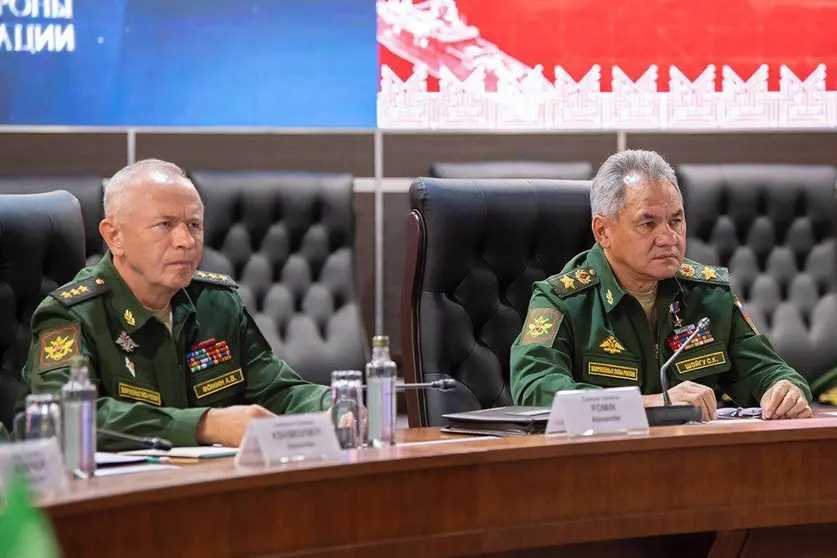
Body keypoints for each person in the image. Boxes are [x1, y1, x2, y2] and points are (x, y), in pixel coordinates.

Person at [19, 159, 331, 450]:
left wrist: (334, 404)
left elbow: (277, 390)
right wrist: (204, 426)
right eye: (165, 225)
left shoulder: (217, 303)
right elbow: (66, 418)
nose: (185, 240)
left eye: (194, 225)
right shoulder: (70, 314)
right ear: (114, 236)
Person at [510, 150, 812, 421]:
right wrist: (648, 404)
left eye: (676, 220)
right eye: (648, 224)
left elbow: (767, 371)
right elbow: (535, 388)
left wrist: (784, 389)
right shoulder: (562, 300)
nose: (669, 238)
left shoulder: (708, 295)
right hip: (597, 465)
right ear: (602, 231)